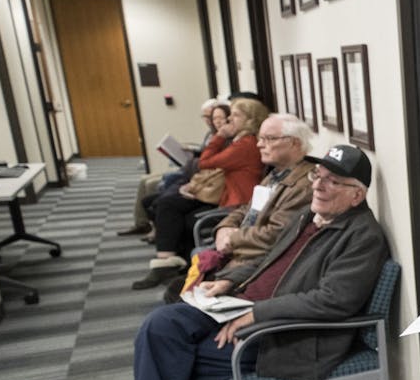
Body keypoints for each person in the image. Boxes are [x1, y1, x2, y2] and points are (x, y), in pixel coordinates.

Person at [72, 145, 388, 380]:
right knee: (160, 325)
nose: (319, 185)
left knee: (175, 367)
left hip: (285, 334)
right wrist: (228, 280)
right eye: (319, 176)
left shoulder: (363, 237)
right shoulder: (308, 216)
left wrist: (254, 316)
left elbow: (333, 300)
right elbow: (267, 261)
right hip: (236, 305)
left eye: (334, 181)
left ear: (356, 195)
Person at [162, 114, 316, 304]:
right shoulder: (277, 173)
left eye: (269, 139)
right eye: (260, 138)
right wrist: (224, 227)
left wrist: (233, 238)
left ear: (294, 143)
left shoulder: (304, 185)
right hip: (241, 253)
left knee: (177, 298)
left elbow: (277, 234)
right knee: (177, 290)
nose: (259, 144)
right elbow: (247, 209)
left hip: (256, 264)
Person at [133, 98, 266, 289]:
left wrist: (219, 135)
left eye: (235, 115)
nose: (229, 119)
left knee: (183, 215)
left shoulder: (245, 144)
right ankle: (173, 263)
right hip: (227, 194)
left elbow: (205, 161)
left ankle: (176, 266)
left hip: (237, 200)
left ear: (250, 119)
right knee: (172, 207)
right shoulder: (241, 141)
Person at [121, 98, 223, 237]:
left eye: (211, 116)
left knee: (153, 184)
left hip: (196, 172)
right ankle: (142, 223)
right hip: (190, 166)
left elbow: (209, 160)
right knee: (144, 180)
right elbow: (204, 152)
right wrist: (192, 152)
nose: (208, 120)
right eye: (205, 117)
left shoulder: (220, 135)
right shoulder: (210, 133)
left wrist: (195, 156)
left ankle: (155, 228)